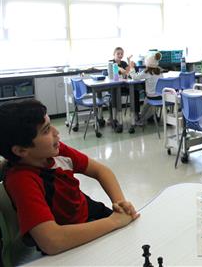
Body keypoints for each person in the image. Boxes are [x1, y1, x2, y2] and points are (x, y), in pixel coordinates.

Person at [0, 99, 139, 255]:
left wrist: (120, 204)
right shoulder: (21, 180)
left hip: (89, 212)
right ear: (20, 151)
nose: (56, 132)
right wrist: (113, 221)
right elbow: (52, 241)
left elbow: (101, 171)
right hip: (70, 238)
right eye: (46, 130)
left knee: (134, 239)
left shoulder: (55, 152)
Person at [129, 52, 163, 126]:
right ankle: (150, 116)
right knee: (148, 101)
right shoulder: (160, 71)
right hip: (161, 97)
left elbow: (135, 77)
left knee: (146, 101)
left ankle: (141, 119)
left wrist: (132, 68)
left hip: (151, 97)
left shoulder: (146, 72)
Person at [109, 47, 140, 121]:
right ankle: (112, 117)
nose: (120, 55)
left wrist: (129, 61)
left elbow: (128, 71)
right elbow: (122, 70)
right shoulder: (111, 62)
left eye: (121, 54)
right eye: (118, 53)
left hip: (124, 86)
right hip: (114, 87)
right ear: (114, 54)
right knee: (112, 98)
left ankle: (136, 113)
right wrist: (121, 69)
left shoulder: (123, 63)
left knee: (136, 92)